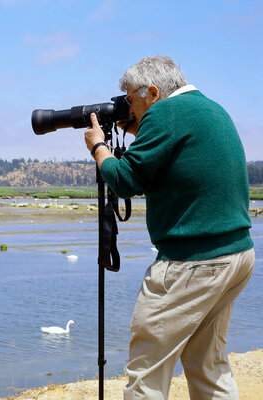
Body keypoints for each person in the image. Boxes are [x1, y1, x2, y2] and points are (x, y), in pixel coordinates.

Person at [84, 55, 255, 399]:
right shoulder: (209, 108)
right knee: (208, 364)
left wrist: (100, 149)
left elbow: (126, 180)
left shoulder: (164, 113)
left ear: (151, 92)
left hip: (193, 261)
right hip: (236, 255)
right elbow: (174, 168)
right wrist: (141, 130)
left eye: (131, 101)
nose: (128, 110)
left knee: (147, 371)